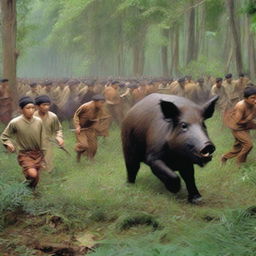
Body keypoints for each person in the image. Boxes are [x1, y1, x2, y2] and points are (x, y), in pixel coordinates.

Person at [0, 96, 46, 189]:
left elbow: (42, 138)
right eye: (28, 108)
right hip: (25, 154)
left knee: (35, 176)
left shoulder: (39, 121)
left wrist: (44, 154)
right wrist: (8, 143)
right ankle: (28, 188)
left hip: (38, 153)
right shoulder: (15, 122)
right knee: (33, 174)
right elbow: (4, 136)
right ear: (21, 109)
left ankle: (28, 189)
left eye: (33, 108)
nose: (31, 110)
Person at [222, 87, 256, 165]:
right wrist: (248, 119)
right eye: (252, 98)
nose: (255, 100)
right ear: (245, 98)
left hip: (245, 127)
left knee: (239, 148)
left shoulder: (253, 104)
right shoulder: (240, 106)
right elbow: (237, 122)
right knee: (248, 145)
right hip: (237, 128)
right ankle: (240, 164)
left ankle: (225, 157)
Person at [73, 94, 110, 162]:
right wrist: (77, 126)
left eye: (103, 103)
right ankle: (78, 153)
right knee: (84, 145)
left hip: (91, 129)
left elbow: (103, 117)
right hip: (81, 129)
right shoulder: (85, 106)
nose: (102, 104)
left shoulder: (100, 108)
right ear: (95, 102)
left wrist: (99, 125)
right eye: (101, 103)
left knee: (94, 146)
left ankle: (91, 158)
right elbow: (76, 115)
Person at [34, 95, 64, 172]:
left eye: (48, 105)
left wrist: (59, 137)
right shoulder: (32, 117)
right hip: (34, 142)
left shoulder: (53, 116)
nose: (47, 107)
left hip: (47, 142)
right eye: (44, 105)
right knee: (35, 163)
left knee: (48, 163)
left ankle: (48, 176)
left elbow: (58, 129)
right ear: (37, 106)